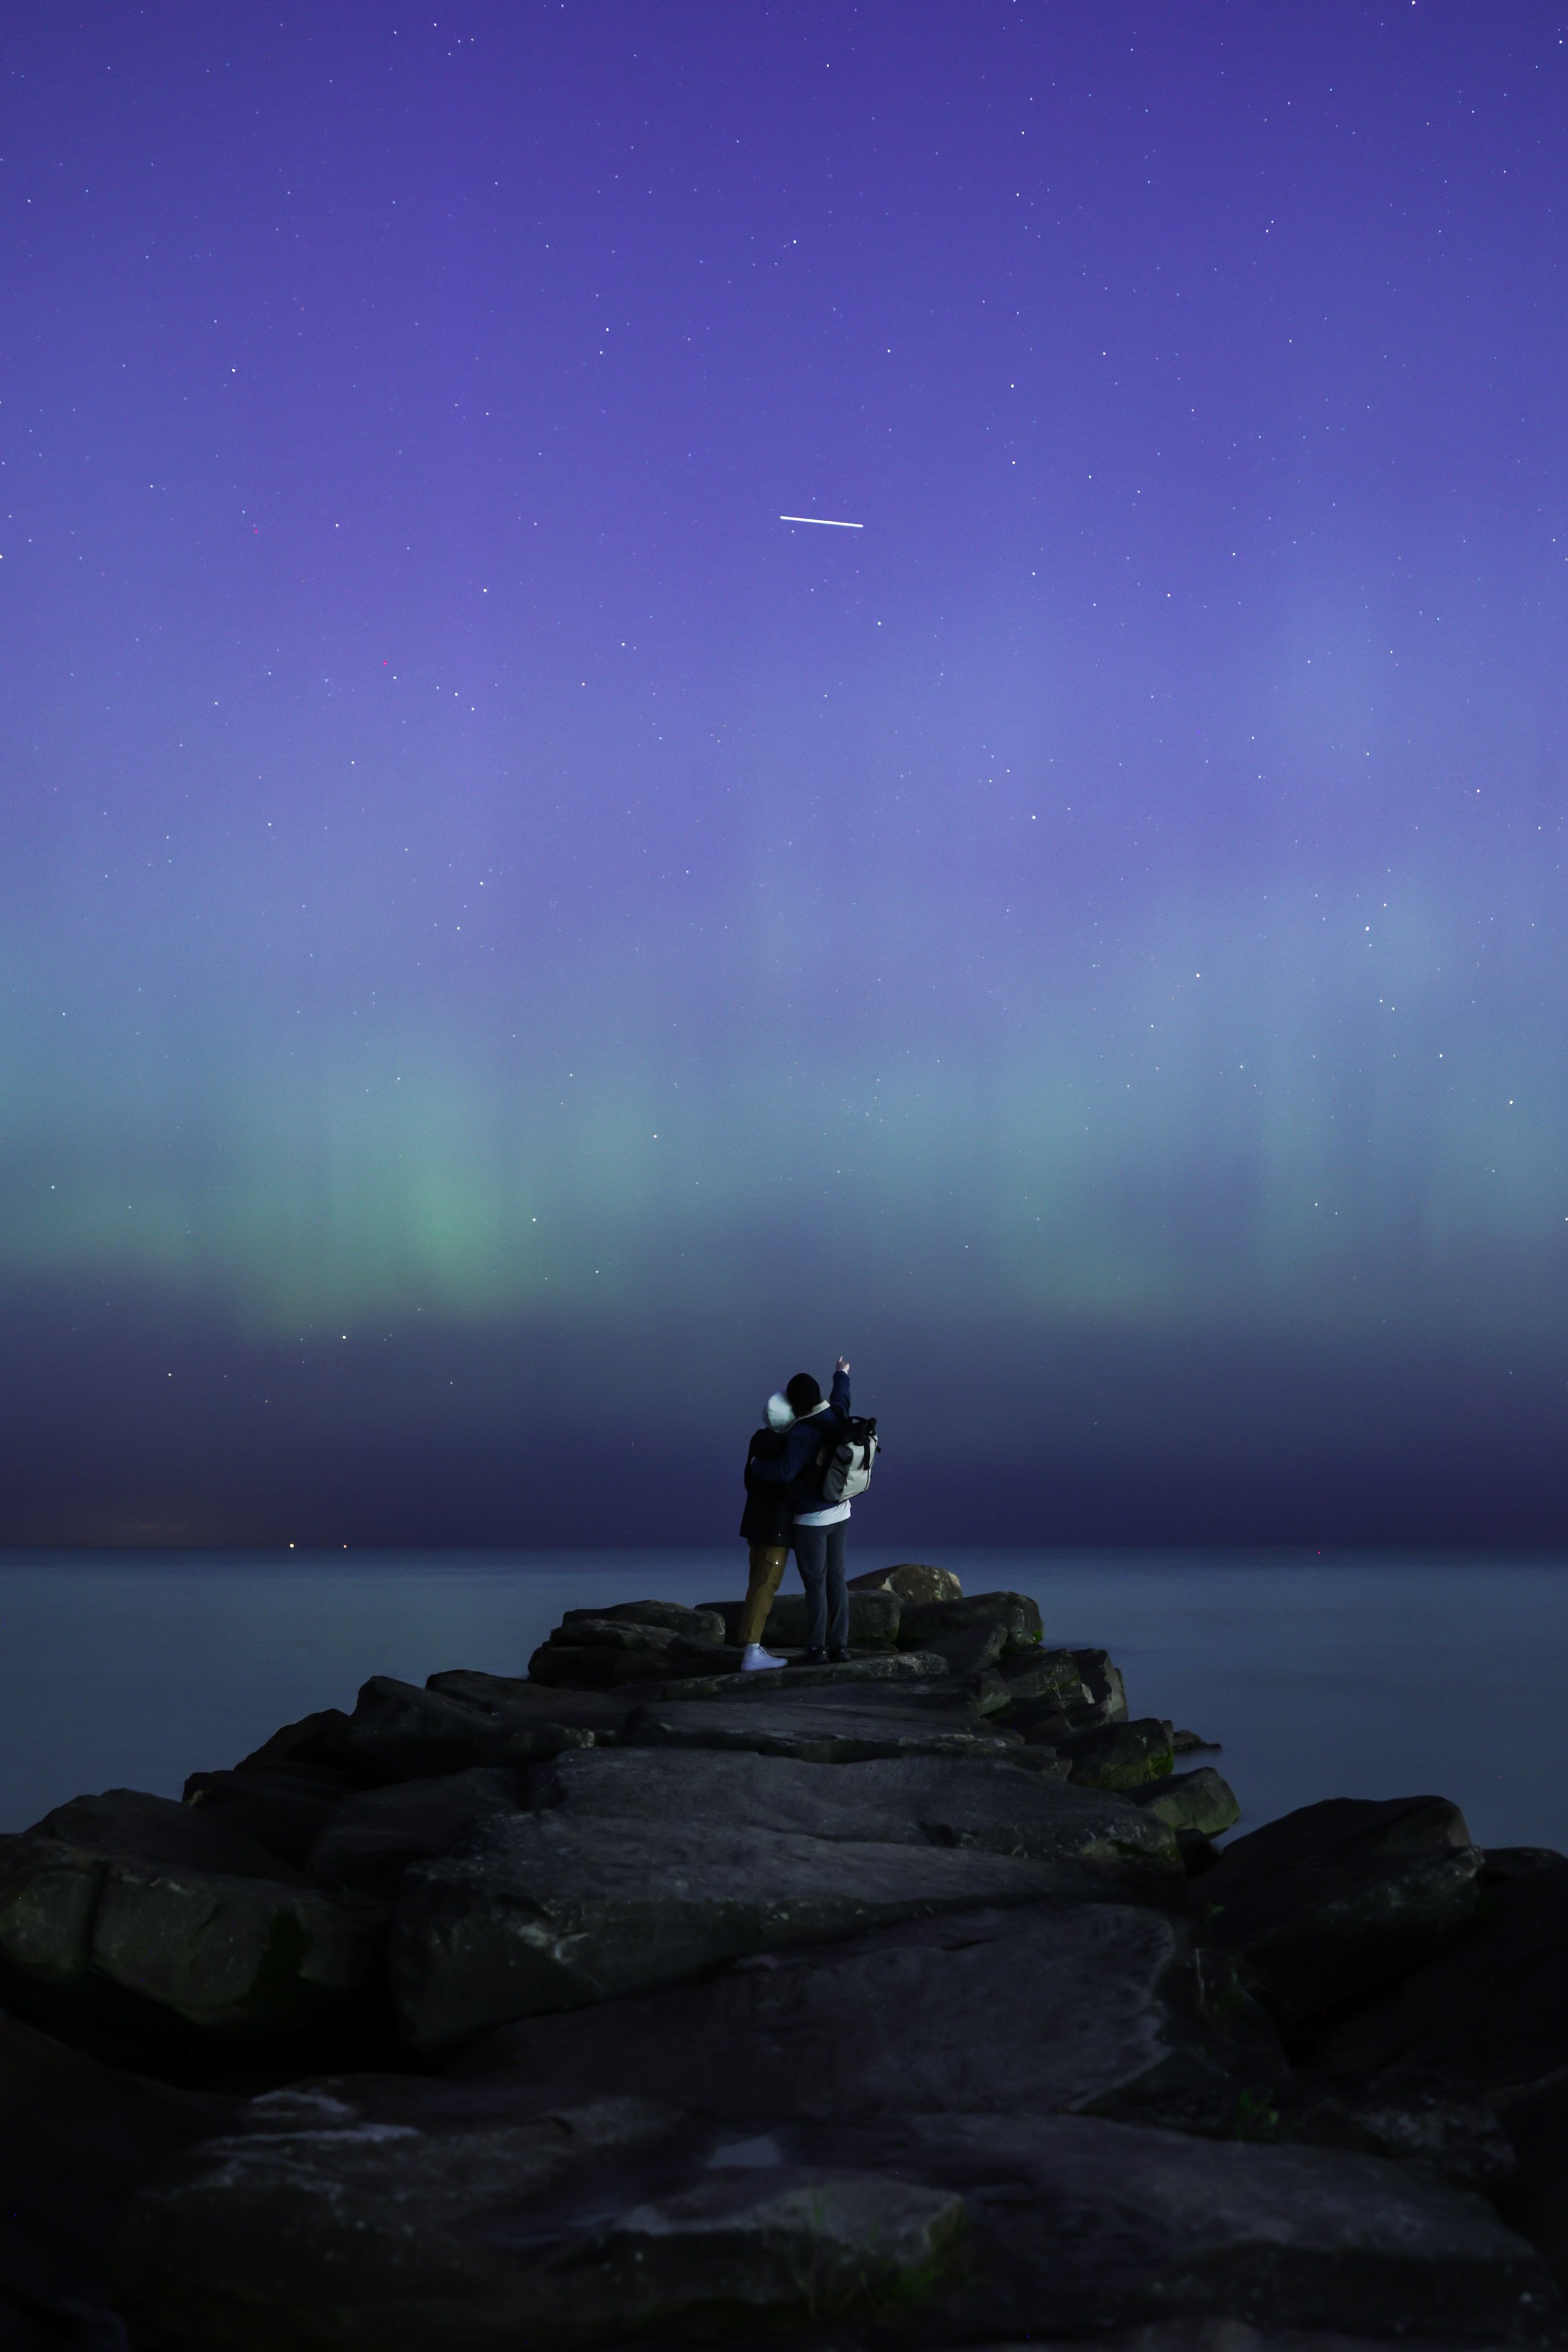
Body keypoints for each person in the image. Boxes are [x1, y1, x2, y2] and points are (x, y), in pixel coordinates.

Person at [746, 1356, 854, 1664]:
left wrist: (756, 1467)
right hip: (841, 1511)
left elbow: (783, 1472)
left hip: (811, 1520)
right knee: (837, 1578)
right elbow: (842, 1396)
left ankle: (817, 1648)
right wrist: (841, 1374)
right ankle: (840, 1647)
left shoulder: (801, 1433)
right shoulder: (837, 1414)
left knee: (815, 1582)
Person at [736, 1391, 795, 1671]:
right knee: (766, 1584)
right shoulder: (785, 1446)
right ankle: (751, 1651)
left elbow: (749, 1481)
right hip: (776, 1528)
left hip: (754, 1523)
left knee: (755, 1581)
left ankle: (750, 1646)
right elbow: (787, 1483)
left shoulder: (757, 1440)